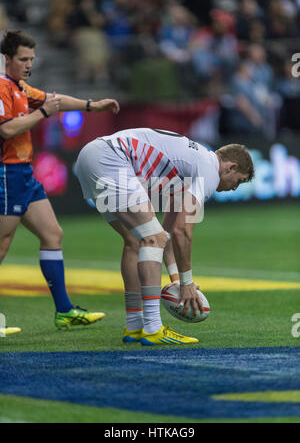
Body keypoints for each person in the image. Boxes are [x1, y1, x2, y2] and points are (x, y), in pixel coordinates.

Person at [75, 128, 254, 346]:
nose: (235, 188)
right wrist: (187, 284)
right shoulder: (209, 170)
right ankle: (153, 328)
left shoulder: (190, 165)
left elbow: (168, 234)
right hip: (111, 157)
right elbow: (182, 231)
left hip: (90, 155)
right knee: (151, 237)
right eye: (239, 181)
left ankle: (134, 326)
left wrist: (176, 279)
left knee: (136, 240)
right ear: (230, 167)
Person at [0, 30, 120, 333]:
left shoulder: (19, 87)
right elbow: (7, 130)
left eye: (31, 59)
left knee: (53, 234)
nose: (29, 64)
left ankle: (65, 311)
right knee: (2, 246)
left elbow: (56, 100)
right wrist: (42, 112)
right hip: (6, 174)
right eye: (23, 59)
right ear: (7, 59)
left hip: (24, 175)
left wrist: (92, 105)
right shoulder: (2, 88)